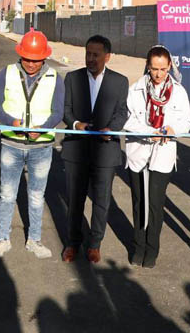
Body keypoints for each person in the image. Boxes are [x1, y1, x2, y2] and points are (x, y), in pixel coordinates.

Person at [0, 29, 64, 260]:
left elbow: (58, 111)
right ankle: (2, 239)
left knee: (36, 196)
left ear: (44, 58)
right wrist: (13, 122)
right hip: (12, 144)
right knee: (7, 194)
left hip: (41, 147)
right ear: (20, 54)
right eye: (27, 59)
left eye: (36, 60)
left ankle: (34, 240)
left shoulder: (55, 78)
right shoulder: (7, 73)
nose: (31, 64)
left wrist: (41, 129)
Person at [61, 35, 129, 264]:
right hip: (76, 150)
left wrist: (112, 128)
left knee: (101, 201)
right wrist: (76, 124)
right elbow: (66, 110)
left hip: (105, 150)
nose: (90, 58)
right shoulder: (72, 78)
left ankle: (95, 244)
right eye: (87, 53)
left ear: (107, 57)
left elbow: (122, 112)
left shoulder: (120, 82)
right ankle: (72, 243)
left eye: (95, 55)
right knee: (74, 200)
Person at [124, 45, 190, 268]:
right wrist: (146, 131)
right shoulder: (136, 90)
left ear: (170, 66)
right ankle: (138, 245)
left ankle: (152, 249)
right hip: (139, 153)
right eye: (154, 69)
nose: (159, 74)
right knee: (138, 202)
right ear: (148, 66)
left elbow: (186, 121)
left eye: (163, 69)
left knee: (155, 203)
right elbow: (128, 119)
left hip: (162, 154)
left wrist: (173, 129)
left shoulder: (179, 92)